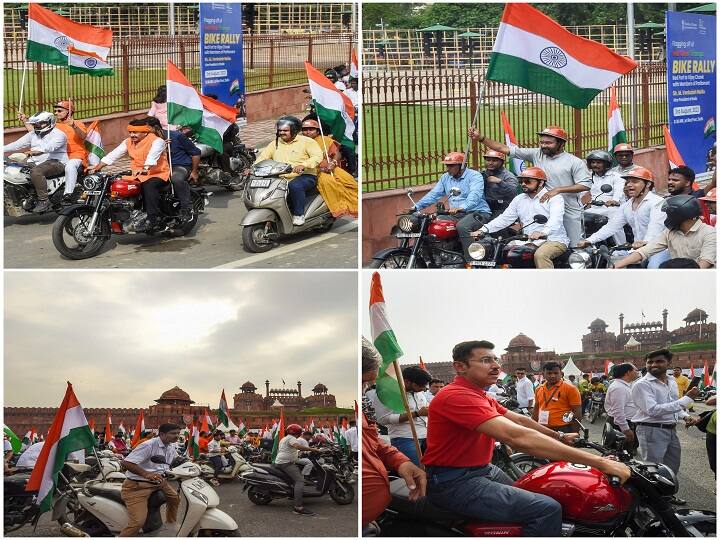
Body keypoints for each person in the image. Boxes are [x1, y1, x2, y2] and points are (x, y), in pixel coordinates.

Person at [423, 340, 630, 537]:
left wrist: (559, 435)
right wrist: (599, 462)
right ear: (460, 366)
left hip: (482, 470)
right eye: (486, 360)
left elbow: (521, 421)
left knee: (535, 489)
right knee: (546, 509)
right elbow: (517, 436)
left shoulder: (480, 395)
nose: (496, 366)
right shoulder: (457, 395)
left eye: (496, 360)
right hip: (455, 481)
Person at [470, 125, 591, 247]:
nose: (543, 145)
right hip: (539, 206)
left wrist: (558, 190)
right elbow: (504, 148)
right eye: (542, 142)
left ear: (561, 143)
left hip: (568, 209)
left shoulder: (574, 162)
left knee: (574, 248)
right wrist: (481, 138)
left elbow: (585, 185)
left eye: (548, 143)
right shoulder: (536, 154)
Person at [361, 337, 426, 530]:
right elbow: (385, 420)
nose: (366, 387)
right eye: (365, 381)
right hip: (403, 437)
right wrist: (415, 413)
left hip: (422, 437)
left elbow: (373, 441)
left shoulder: (420, 395)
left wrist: (399, 461)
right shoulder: (382, 395)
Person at [631, 349, 699, 494]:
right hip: (651, 429)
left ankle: (666, 497)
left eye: (659, 361)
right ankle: (651, 501)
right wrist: (687, 399)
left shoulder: (672, 381)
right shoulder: (642, 384)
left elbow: (672, 405)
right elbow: (653, 410)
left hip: (670, 429)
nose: (654, 364)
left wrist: (685, 416)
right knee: (652, 469)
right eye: (650, 362)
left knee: (671, 466)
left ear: (669, 363)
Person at [472, 166, 569, 269]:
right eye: (521, 181)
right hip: (527, 241)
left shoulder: (554, 198)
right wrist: (483, 230)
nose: (523, 184)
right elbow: (504, 219)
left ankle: (548, 283)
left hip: (553, 240)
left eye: (527, 181)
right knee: (502, 252)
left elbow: (556, 219)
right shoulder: (519, 199)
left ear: (540, 183)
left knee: (540, 255)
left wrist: (543, 232)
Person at [88, 118, 170, 232]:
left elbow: (153, 156)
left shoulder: (157, 141)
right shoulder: (128, 142)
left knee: (148, 186)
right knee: (114, 184)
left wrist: (145, 168)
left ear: (145, 132)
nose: (132, 135)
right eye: (130, 132)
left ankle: (153, 218)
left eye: (135, 132)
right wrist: (98, 166)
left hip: (156, 173)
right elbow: (114, 154)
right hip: (135, 175)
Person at [578, 166, 669, 267]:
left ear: (647, 184)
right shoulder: (627, 205)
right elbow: (612, 226)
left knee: (653, 269)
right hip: (636, 249)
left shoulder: (657, 202)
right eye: (627, 182)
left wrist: (645, 242)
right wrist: (589, 240)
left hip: (658, 249)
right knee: (611, 263)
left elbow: (655, 228)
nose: (629, 185)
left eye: (634, 182)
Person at [411, 152, 492, 258]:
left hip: (478, 212)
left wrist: (462, 207)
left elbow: (475, 195)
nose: (448, 169)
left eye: (451, 165)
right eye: (447, 165)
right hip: (455, 214)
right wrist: (415, 207)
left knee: (463, 226)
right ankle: (428, 258)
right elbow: (434, 194)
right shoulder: (446, 177)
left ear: (462, 166)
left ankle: (471, 260)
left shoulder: (474, 176)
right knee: (429, 223)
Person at [253, 116, 323, 226]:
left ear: (294, 130)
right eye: (280, 130)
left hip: (305, 175)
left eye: (285, 130)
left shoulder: (307, 142)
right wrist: (253, 167)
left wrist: (303, 165)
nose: (281, 133)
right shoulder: (275, 143)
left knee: (295, 186)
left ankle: (299, 214)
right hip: (279, 177)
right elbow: (263, 157)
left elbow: (317, 157)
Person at [614, 194, 716, 269]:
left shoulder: (709, 233)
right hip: (678, 277)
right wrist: (616, 266)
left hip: (703, 281)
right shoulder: (670, 232)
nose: (666, 218)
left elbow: (705, 263)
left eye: (668, 214)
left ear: (680, 215)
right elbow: (645, 251)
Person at [119, 424, 182, 537]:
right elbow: (126, 462)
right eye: (173, 433)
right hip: (138, 486)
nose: (177, 436)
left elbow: (174, 460)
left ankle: (170, 524)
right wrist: (146, 474)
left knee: (175, 499)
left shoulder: (171, 445)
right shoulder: (148, 445)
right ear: (162, 434)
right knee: (137, 522)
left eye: (178, 433)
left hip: (159, 482)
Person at [3, 111, 68, 213]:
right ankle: (30, 196)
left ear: (49, 122)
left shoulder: (59, 134)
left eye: (40, 123)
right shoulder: (33, 134)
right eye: (35, 124)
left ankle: (44, 200)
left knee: (36, 172)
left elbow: (50, 147)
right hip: (35, 161)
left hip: (56, 162)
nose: (37, 126)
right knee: (17, 170)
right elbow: (16, 144)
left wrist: (37, 152)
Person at [373, 365, 432, 466]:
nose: (423, 389)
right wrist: (416, 414)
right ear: (406, 381)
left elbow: (425, 409)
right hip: (405, 438)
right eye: (420, 385)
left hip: (426, 436)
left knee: (431, 471)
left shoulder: (419, 392)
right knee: (416, 472)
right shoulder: (386, 394)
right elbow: (382, 419)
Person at [299, 118, 358, 218]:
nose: (308, 132)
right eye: (305, 129)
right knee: (329, 183)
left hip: (331, 168)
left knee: (350, 181)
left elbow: (337, 154)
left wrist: (333, 163)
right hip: (315, 171)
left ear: (317, 131)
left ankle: (357, 206)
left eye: (311, 129)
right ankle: (340, 208)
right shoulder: (300, 142)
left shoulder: (325, 140)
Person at [274, 423, 324, 515]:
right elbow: (297, 446)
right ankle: (298, 507)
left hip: (283, 461)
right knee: (300, 480)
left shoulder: (285, 438)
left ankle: (294, 494)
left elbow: (289, 449)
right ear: (298, 432)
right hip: (286, 463)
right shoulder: (292, 438)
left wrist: (299, 453)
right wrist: (313, 450)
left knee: (298, 475)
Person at [45, 100, 88, 204]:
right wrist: (25, 121)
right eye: (55, 111)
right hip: (58, 155)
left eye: (59, 111)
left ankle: (68, 193)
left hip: (75, 155)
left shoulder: (77, 123)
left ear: (69, 112)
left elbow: (83, 136)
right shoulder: (54, 125)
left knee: (70, 166)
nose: (56, 113)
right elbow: (36, 133)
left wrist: (74, 126)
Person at [582, 150, 626, 244]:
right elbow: (582, 191)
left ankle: (621, 246)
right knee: (578, 218)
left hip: (613, 208)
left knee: (616, 220)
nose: (595, 165)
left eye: (598, 162)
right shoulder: (589, 177)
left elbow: (619, 191)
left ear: (606, 163)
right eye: (593, 162)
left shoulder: (616, 176)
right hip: (594, 208)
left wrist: (615, 200)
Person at [532, 361, 582, 433]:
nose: (552, 376)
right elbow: (536, 410)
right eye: (549, 373)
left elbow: (577, 412)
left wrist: (575, 433)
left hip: (563, 428)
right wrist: (533, 427)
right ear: (543, 374)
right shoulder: (538, 389)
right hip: (543, 427)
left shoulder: (571, 389)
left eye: (556, 373)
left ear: (561, 374)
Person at [167, 124, 201, 222]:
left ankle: (186, 207)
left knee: (176, 178)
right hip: (159, 169)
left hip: (180, 166)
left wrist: (194, 171)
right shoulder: (145, 141)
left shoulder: (176, 136)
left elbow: (196, 152)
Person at [605, 363, 640, 453]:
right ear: (628, 372)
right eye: (636, 370)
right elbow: (618, 412)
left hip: (623, 423)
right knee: (619, 454)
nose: (638, 372)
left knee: (623, 453)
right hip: (620, 425)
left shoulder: (623, 386)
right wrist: (626, 429)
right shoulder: (619, 388)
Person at [481, 149, 518, 217]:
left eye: (494, 161)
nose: (490, 163)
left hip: (503, 208)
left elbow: (513, 192)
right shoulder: (482, 174)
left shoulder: (508, 176)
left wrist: (500, 182)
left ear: (501, 162)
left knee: (492, 225)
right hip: (485, 207)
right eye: (488, 160)